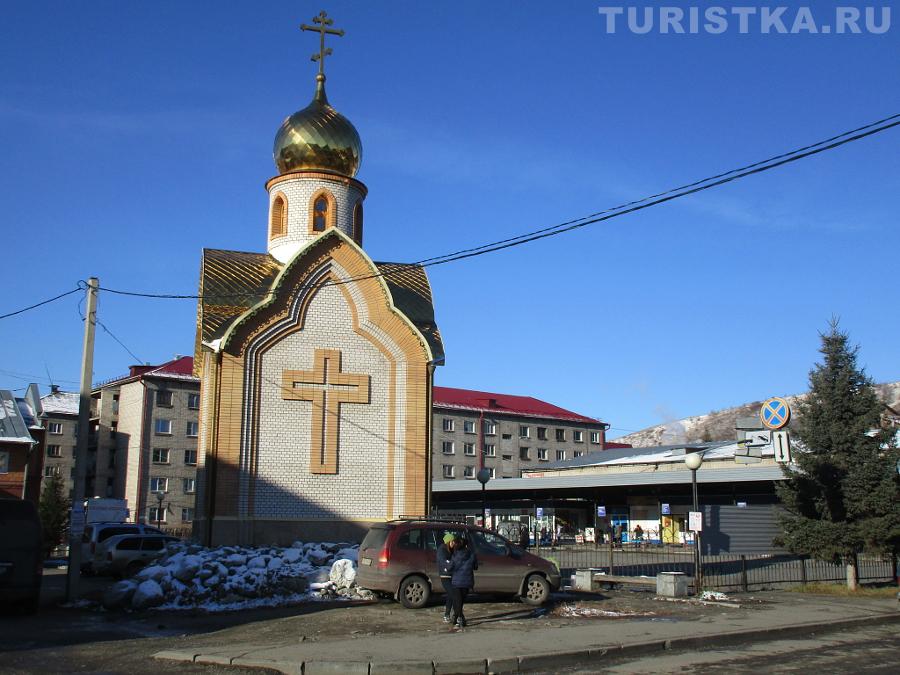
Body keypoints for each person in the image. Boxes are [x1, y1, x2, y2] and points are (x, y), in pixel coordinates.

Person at [446, 535, 478, 628]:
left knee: (457, 601)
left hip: (456, 582)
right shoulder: (472, 554)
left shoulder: (455, 555)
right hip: (467, 581)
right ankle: (457, 618)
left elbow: (449, 568)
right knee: (460, 601)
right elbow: (475, 567)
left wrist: (447, 567)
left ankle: (459, 617)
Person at [436, 532, 456, 623]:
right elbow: (445, 562)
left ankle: (447, 615)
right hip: (445, 575)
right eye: (452, 541)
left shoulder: (452, 550)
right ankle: (454, 615)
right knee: (452, 594)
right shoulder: (442, 550)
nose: (454, 543)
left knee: (450, 595)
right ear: (448, 541)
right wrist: (452, 564)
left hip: (452, 575)